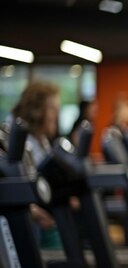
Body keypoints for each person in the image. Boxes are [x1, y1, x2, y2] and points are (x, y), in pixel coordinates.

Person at [10, 81, 63, 249]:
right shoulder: (21, 143)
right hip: (32, 222)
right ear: (37, 112)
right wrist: (35, 212)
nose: (56, 115)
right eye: (53, 109)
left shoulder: (43, 141)